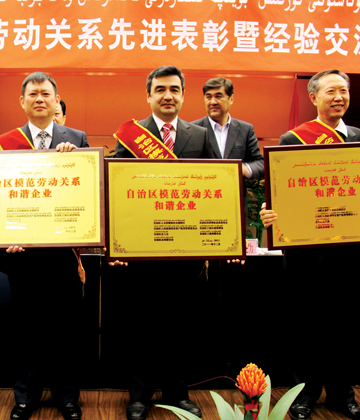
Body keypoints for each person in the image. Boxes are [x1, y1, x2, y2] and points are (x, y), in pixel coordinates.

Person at [112, 66, 212, 420]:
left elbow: (215, 183)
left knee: (180, 327)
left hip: (185, 252)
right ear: (148, 95)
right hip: (143, 252)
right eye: (160, 89)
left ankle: (177, 393)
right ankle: (139, 396)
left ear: (183, 94)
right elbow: (116, 186)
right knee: (141, 327)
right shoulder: (132, 136)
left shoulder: (200, 136)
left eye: (174, 89)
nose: (167, 95)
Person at [260, 69, 360, 420]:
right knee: (305, 324)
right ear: (313, 97)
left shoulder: (359, 139)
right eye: (331, 91)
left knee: (344, 323)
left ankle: (342, 393)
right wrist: (271, 212)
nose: (339, 97)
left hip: (349, 251)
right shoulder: (293, 139)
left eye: (344, 90)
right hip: (305, 251)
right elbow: (281, 191)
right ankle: (304, 392)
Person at [0, 72, 87, 420]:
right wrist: (5, 234)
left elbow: (85, 190)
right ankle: (25, 397)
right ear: (22, 102)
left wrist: (75, 160)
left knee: (65, 330)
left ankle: (67, 397)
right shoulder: (4, 143)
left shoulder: (76, 138)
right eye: (32, 94)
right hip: (20, 254)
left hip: (62, 253)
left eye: (46, 94)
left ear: (56, 99)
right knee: (27, 330)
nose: (39, 99)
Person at [192, 77, 264, 179]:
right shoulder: (193, 130)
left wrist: (245, 169)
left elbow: (260, 163)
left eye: (218, 96)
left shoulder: (245, 130)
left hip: (236, 188)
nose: (213, 102)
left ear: (231, 99)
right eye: (208, 97)